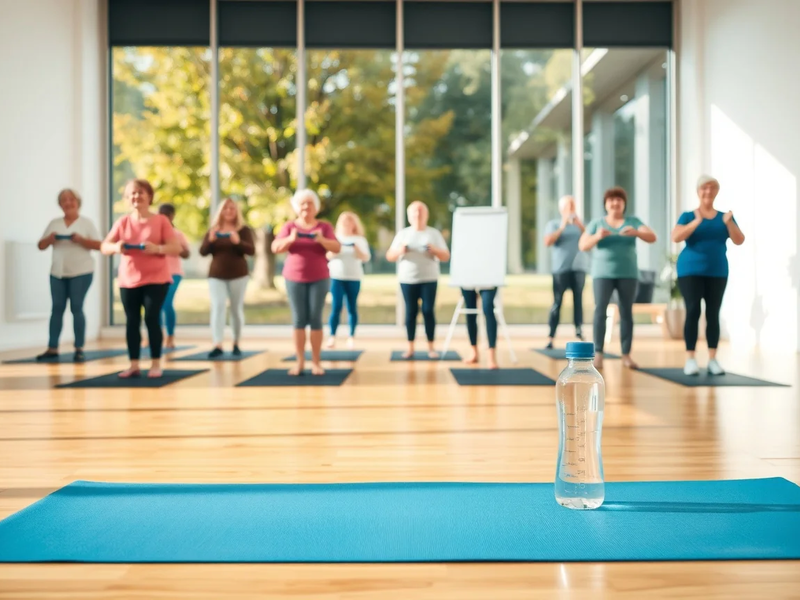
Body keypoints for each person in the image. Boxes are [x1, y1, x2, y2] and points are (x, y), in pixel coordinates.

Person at [101, 179, 181, 378]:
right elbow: (104, 246)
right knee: (132, 321)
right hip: (128, 280)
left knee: (152, 319)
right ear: (127, 198)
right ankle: (134, 364)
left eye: (141, 192)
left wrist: (158, 248)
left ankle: (155, 363)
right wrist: (116, 247)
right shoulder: (123, 222)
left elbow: (175, 247)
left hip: (157, 279)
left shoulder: (161, 221)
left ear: (149, 196)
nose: (137, 196)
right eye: (133, 193)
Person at [671, 175, 745, 376]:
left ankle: (712, 359)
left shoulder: (725, 217)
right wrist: (696, 222)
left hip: (717, 271)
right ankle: (690, 359)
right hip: (690, 271)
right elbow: (676, 236)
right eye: (705, 187)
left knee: (713, 313)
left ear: (716, 191)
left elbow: (739, 240)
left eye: (712, 188)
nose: (708, 191)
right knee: (693, 310)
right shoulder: (688, 215)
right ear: (698, 191)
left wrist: (729, 223)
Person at [579, 186, 657, 370]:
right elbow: (583, 245)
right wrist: (597, 236)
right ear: (605, 204)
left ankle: (626, 355)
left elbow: (652, 237)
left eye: (619, 200)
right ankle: (598, 354)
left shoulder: (633, 222)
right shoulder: (597, 224)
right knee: (600, 311)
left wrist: (636, 232)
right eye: (611, 200)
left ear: (624, 204)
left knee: (626, 312)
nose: (615, 203)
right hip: (602, 274)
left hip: (628, 274)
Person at [272, 189, 341, 375]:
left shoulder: (324, 226)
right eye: (302, 203)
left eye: (309, 203)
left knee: (315, 318)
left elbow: (337, 247)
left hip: (319, 278)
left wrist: (321, 240)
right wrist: (290, 239)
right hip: (294, 278)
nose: (306, 206)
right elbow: (275, 247)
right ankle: (300, 362)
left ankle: (316, 363)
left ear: (315, 207)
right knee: (299, 319)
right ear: (297, 207)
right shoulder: (289, 226)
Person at [36, 189, 102, 362]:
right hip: (57, 272)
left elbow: (99, 245)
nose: (68, 202)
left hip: (81, 272)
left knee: (76, 307)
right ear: (60, 204)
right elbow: (41, 245)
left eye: (71, 199)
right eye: (64, 200)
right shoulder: (54, 223)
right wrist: (50, 239)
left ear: (77, 202)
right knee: (57, 308)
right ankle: (52, 347)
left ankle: (79, 348)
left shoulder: (86, 223)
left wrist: (81, 240)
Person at [386, 201, 450, 359]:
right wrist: (401, 251)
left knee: (428, 311)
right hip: (407, 279)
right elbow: (390, 256)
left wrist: (434, 250)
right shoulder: (403, 234)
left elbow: (446, 256)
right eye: (415, 211)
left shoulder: (434, 233)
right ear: (409, 216)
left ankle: (431, 348)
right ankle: (410, 348)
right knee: (411, 312)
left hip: (429, 278)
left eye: (421, 211)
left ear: (426, 215)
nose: (418, 214)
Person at [199, 198, 255, 358]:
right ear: (221, 211)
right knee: (218, 307)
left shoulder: (243, 230)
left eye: (232, 208)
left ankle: (236, 342)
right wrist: (210, 241)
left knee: (236, 309)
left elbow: (251, 250)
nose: (229, 211)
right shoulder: (214, 229)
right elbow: (203, 251)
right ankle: (217, 343)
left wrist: (238, 242)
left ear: (236, 211)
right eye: (226, 208)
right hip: (216, 275)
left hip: (239, 275)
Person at [543, 195, 589, 349]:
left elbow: (589, 238)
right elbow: (547, 242)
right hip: (560, 269)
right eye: (568, 206)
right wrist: (562, 226)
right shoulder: (554, 224)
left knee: (578, 301)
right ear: (562, 209)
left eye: (573, 206)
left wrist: (579, 225)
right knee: (557, 302)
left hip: (579, 268)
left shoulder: (580, 224)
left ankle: (579, 332)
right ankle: (551, 336)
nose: (571, 209)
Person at [326, 211, 371, 349]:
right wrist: (336, 250)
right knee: (336, 307)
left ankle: (351, 337)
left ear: (354, 224)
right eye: (344, 222)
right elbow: (327, 256)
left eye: (349, 221)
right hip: (336, 277)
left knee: (352, 307)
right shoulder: (334, 238)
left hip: (354, 277)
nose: (346, 224)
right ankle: (332, 336)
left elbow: (366, 258)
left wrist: (356, 249)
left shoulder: (360, 240)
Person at [158, 204, 191, 349]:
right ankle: (156, 336)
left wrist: (176, 247)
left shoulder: (177, 234)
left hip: (174, 274)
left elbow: (187, 254)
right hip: (157, 273)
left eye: (167, 214)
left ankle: (170, 336)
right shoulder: (155, 233)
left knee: (166, 303)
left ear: (172, 216)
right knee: (155, 306)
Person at [461, 288, 499, 370]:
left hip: (489, 283)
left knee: (488, 308)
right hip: (468, 283)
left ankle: (491, 356)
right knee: (470, 311)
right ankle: (474, 352)